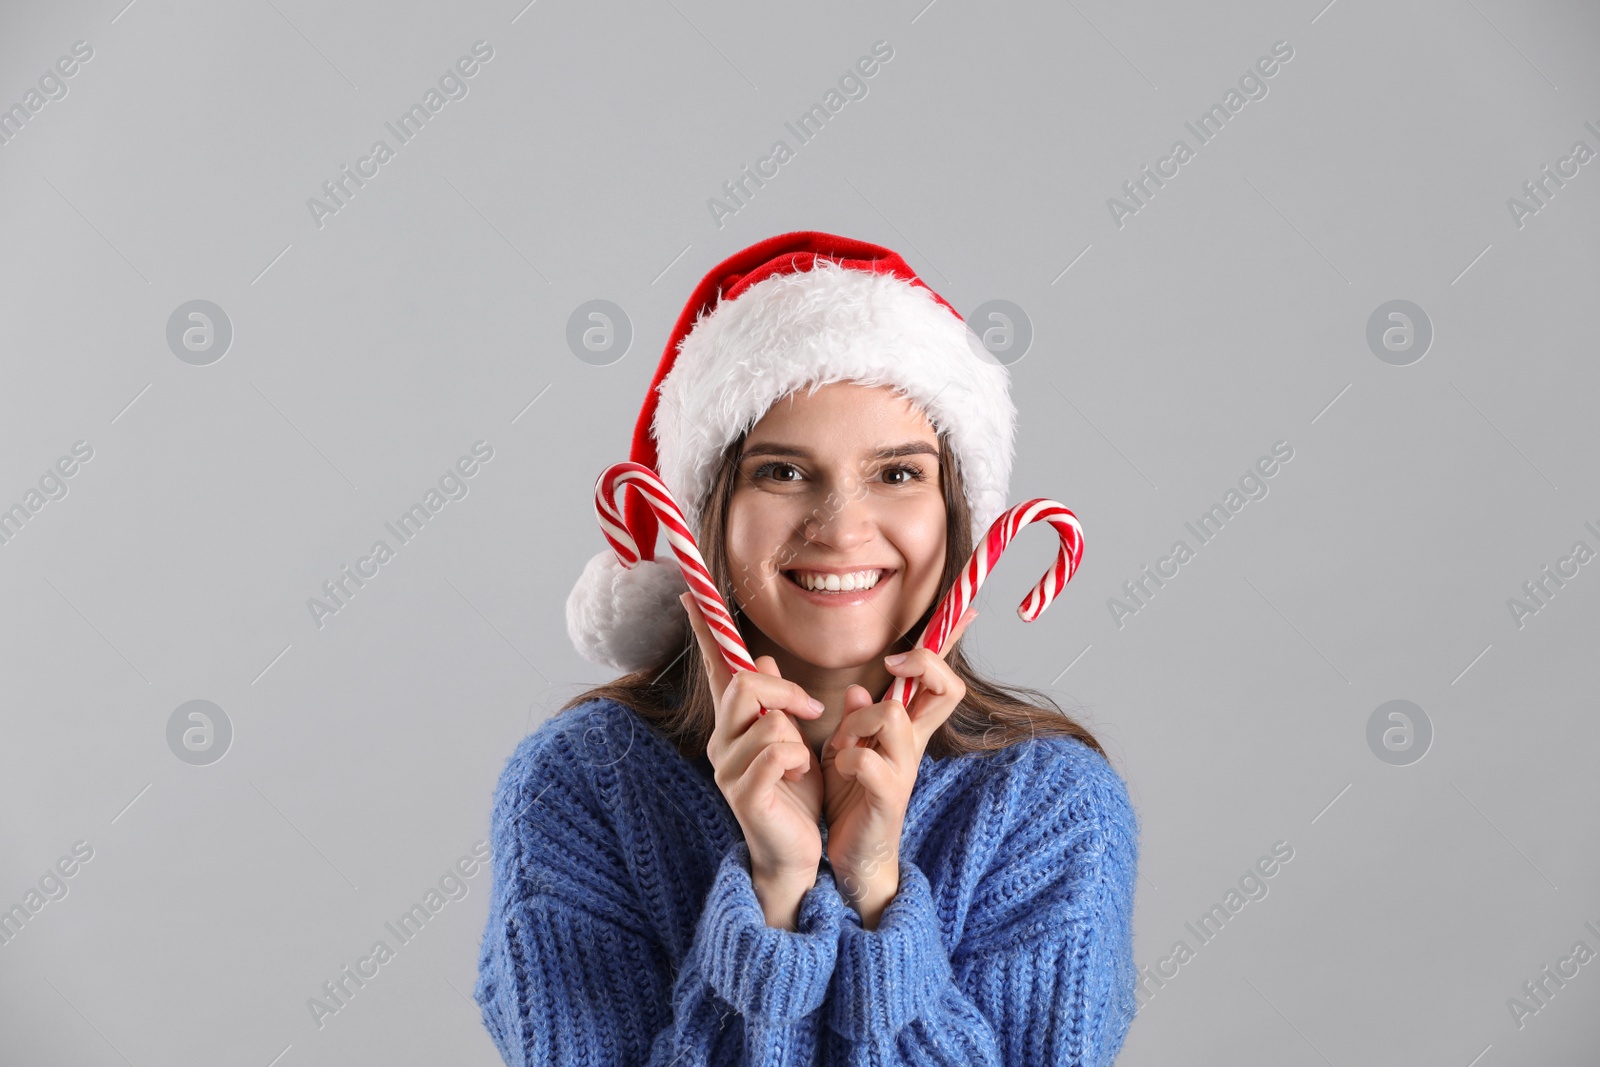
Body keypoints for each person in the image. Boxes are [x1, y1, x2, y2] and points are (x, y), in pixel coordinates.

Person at [473, 231, 1139, 1065]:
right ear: (709, 512)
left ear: (956, 513)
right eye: (783, 472)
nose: (841, 528)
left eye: (897, 473)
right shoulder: (579, 789)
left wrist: (876, 889)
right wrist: (776, 893)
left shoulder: (1049, 806)